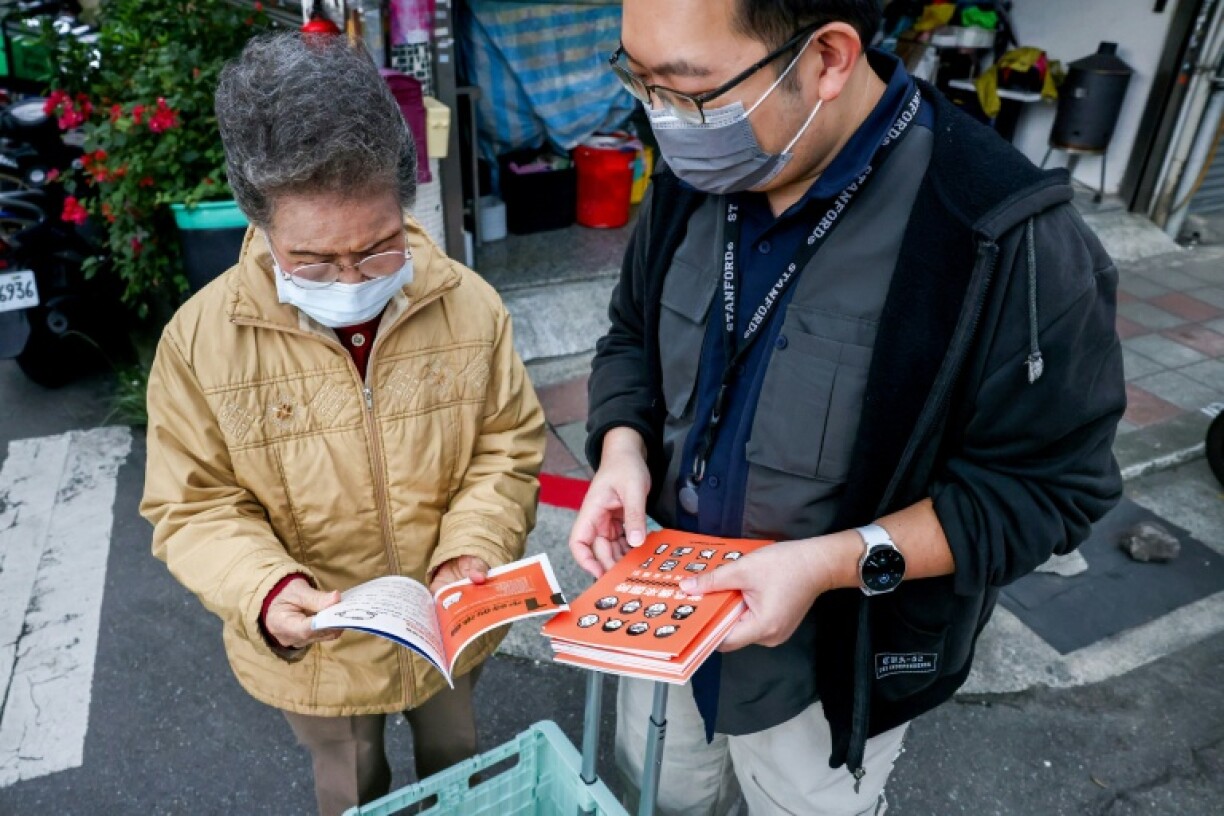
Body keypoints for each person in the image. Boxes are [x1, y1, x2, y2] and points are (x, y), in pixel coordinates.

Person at [568, 1, 1126, 814]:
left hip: (829, 677)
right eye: (638, 81)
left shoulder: (999, 234)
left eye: (688, 92)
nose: (662, 122)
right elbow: (631, 336)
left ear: (828, 57)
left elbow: (1050, 491)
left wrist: (829, 562)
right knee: (663, 793)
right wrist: (622, 448)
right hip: (658, 618)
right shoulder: (698, 178)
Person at [140, 32, 544, 816]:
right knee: (349, 784)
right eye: (316, 262)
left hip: (447, 627)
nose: (353, 278)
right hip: (316, 653)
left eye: (379, 246)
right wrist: (269, 589)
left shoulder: (467, 302)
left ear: (405, 202)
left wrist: (474, 548)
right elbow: (193, 505)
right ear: (258, 223)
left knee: (454, 764)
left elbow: (506, 444)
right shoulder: (200, 342)